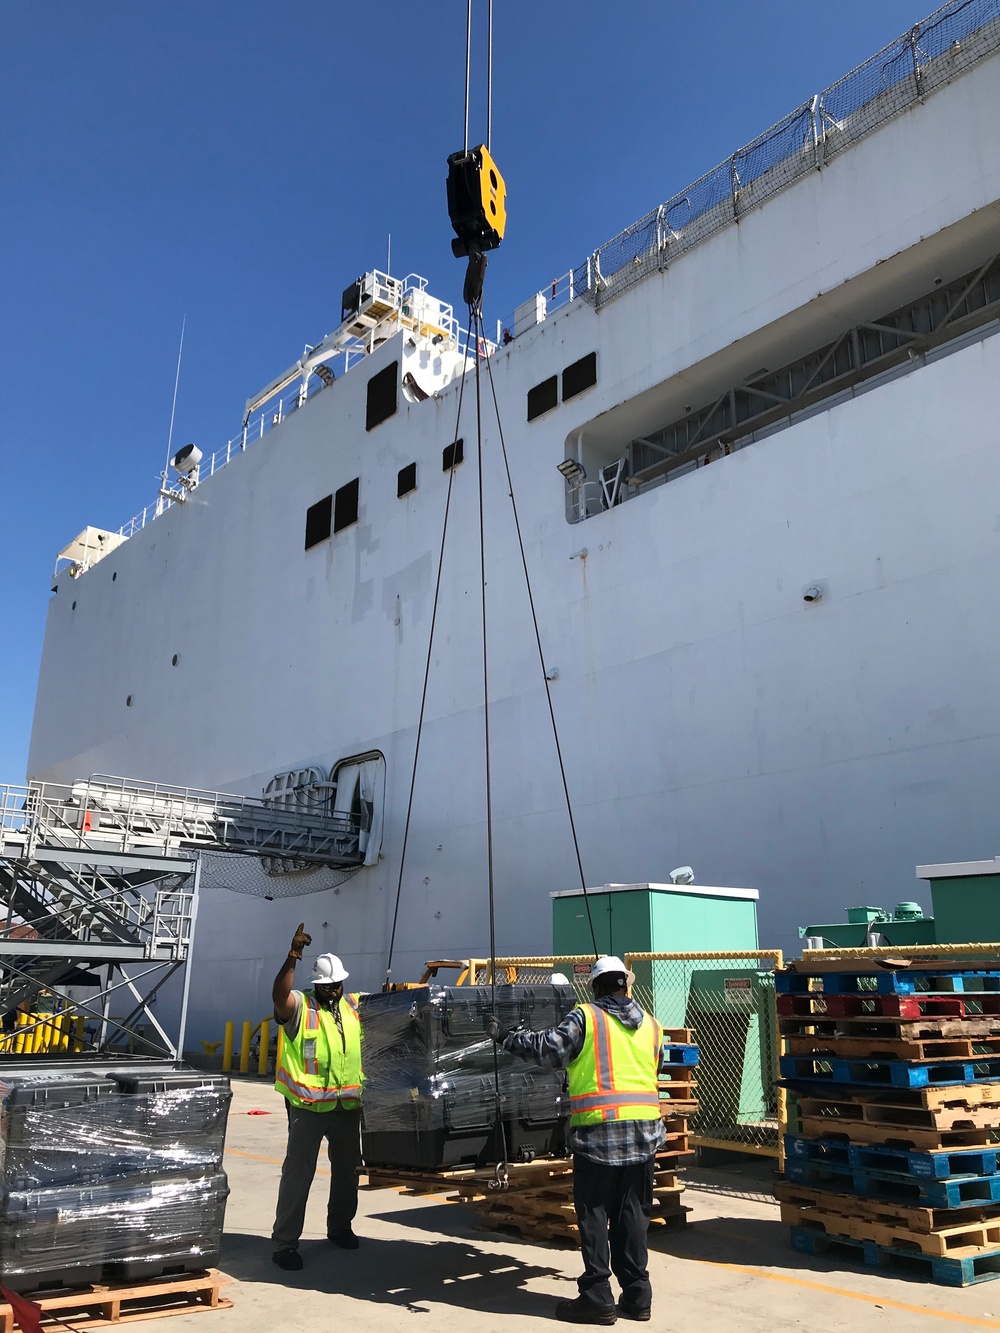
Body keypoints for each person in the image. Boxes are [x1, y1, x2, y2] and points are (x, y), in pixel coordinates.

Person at [490, 956, 663, 1325]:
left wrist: (507, 1037)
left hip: (600, 1133)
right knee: (633, 1213)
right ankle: (637, 1295)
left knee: (595, 1214)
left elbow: (548, 1050)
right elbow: (651, 1069)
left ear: (597, 987)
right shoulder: (652, 1025)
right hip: (645, 1133)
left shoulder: (588, 1017)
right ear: (625, 985)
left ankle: (597, 1296)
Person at [270, 923, 363, 1270]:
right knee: (298, 1174)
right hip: (307, 1107)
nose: (333, 990)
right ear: (317, 985)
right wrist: (292, 957)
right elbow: (280, 997)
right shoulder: (301, 1007)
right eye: (327, 985)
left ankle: (340, 1227)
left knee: (346, 1172)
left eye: (337, 984)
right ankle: (284, 1244)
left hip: (347, 1106)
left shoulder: (353, 1006)